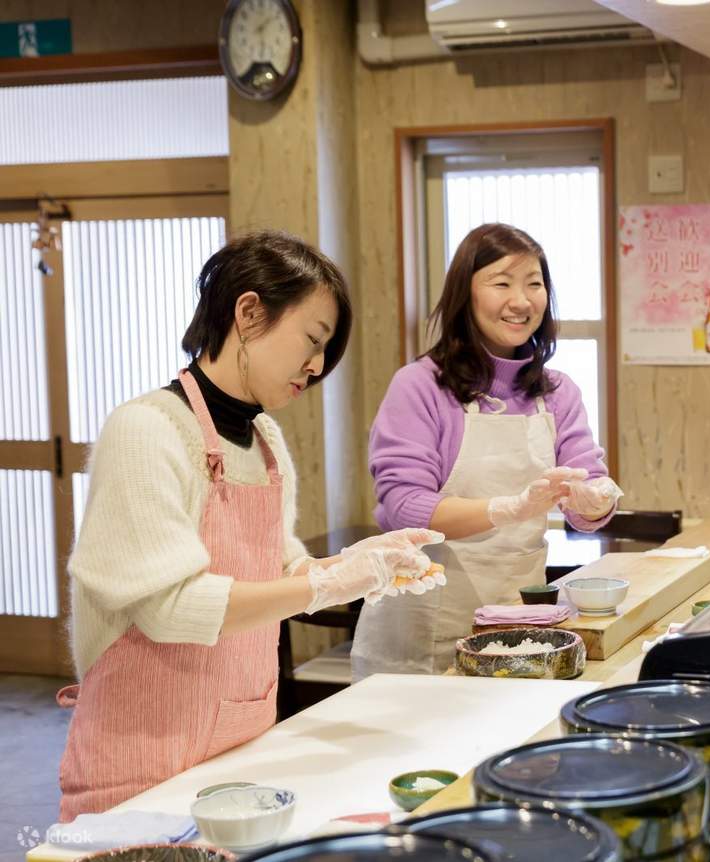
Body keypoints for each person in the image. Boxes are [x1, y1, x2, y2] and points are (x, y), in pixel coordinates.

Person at [58, 230, 442, 819]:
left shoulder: (264, 440)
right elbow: (171, 609)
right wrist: (328, 585)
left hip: (242, 755)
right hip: (142, 773)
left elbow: (279, 566)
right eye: (312, 340)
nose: (316, 367)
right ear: (249, 312)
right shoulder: (145, 430)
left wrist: (363, 563)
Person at [355, 223, 623, 677]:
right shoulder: (420, 386)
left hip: (521, 627)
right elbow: (404, 507)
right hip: (425, 634)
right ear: (466, 294)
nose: (521, 301)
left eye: (534, 284)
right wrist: (508, 508)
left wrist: (594, 500)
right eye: (502, 283)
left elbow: (585, 491)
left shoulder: (558, 392)